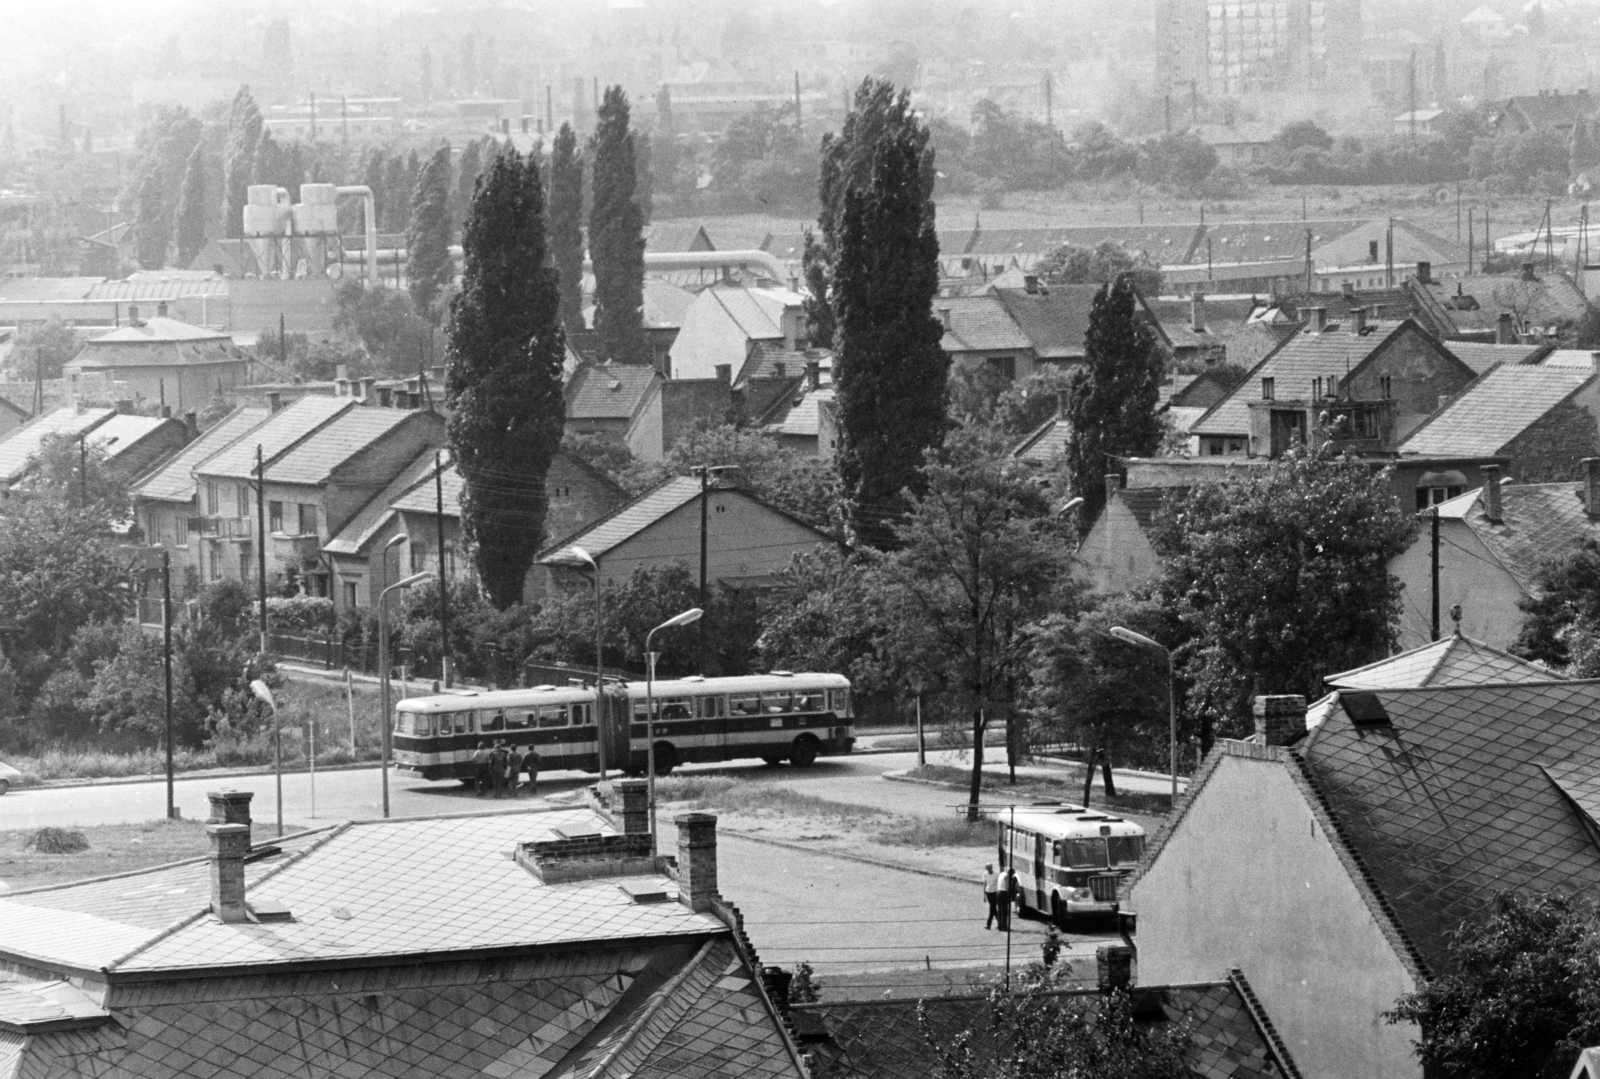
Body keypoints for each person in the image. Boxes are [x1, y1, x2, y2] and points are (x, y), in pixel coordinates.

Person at [983, 863, 1001, 930]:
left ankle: (988, 924)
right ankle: (1000, 922)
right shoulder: (985, 874)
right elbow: (985, 884)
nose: (988, 870)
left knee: (992, 909)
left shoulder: (996, 875)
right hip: (988, 893)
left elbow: (998, 884)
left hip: (994, 893)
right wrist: (984, 895)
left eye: (989, 868)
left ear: (991, 868)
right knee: (993, 909)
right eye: (987, 869)